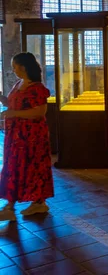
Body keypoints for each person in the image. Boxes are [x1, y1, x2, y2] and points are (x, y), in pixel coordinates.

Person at [0, 53, 54, 221]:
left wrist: (13, 113)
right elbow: (15, 104)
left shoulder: (37, 88)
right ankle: (21, 203)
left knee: (31, 166)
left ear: (23, 67)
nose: (13, 70)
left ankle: (20, 204)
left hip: (31, 136)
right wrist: (3, 100)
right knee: (14, 166)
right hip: (16, 135)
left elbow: (39, 111)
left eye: (15, 66)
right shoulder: (19, 84)